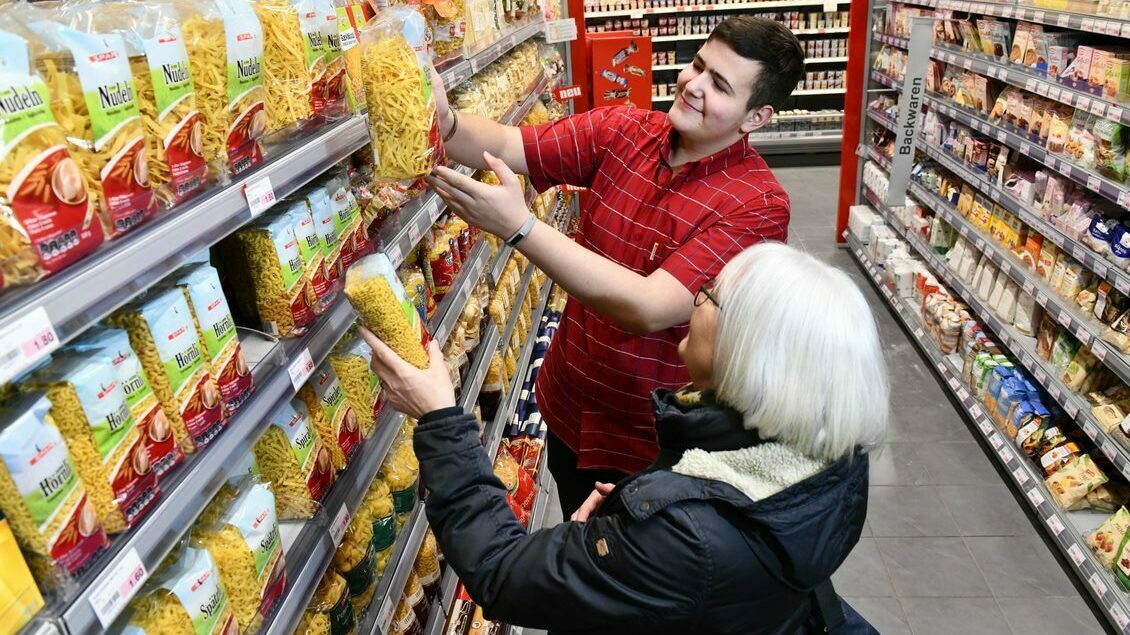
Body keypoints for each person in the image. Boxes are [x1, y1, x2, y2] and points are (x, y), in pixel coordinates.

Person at [359, 243, 889, 634]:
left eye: (710, 296)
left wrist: (440, 418)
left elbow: (502, 573)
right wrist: (651, 511)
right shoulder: (831, 451)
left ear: (750, 357)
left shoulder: (688, 543)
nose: (695, 297)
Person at [426, 15, 807, 512]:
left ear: (755, 118)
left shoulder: (757, 205)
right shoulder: (623, 129)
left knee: (632, 577)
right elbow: (507, 144)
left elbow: (650, 306)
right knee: (574, 533)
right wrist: (446, 121)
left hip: (650, 447)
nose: (692, 86)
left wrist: (521, 227)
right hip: (569, 407)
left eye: (719, 85)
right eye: (697, 66)